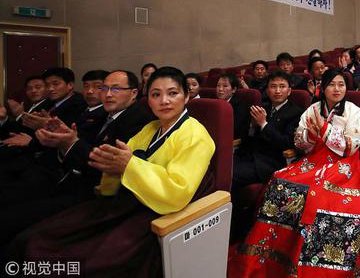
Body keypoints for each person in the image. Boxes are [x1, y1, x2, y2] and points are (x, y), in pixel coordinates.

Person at [8, 67, 216, 277]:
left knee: (67, 256)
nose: (164, 101)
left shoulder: (195, 135)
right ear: (148, 98)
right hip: (123, 202)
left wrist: (129, 166)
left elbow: (176, 193)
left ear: (187, 96)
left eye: (173, 93)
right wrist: (109, 170)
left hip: (155, 213)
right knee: (37, 238)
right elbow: (116, 165)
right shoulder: (150, 128)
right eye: (156, 94)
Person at [230, 69, 360, 277]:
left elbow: (352, 145)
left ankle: (315, 264)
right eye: (332, 84)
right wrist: (310, 135)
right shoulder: (313, 109)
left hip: (343, 164)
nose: (337, 89)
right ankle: (277, 253)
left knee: (319, 195)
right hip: (313, 160)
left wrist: (325, 130)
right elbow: (299, 142)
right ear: (323, 87)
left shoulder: (353, 110)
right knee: (280, 180)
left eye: (341, 84)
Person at [0, 70, 154, 245]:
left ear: (134, 93)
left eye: (116, 89)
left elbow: (101, 162)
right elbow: (77, 147)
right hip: (68, 177)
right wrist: (62, 142)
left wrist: (70, 143)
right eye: (104, 88)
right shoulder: (103, 115)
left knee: (14, 223)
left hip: (95, 195)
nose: (108, 94)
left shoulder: (138, 120)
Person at [232, 71, 303, 190]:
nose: (278, 91)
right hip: (248, 156)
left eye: (282, 86)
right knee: (219, 169)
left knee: (230, 175)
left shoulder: (296, 112)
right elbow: (246, 139)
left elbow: (286, 143)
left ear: (289, 91)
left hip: (269, 163)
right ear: (267, 91)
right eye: (273, 86)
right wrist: (252, 126)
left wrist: (264, 124)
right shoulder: (262, 108)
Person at [216, 73, 250, 141]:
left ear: (234, 89)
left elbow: (234, 130)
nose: (220, 89)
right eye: (218, 85)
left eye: (225, 86)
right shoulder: (214, 103)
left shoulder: (241, 105)